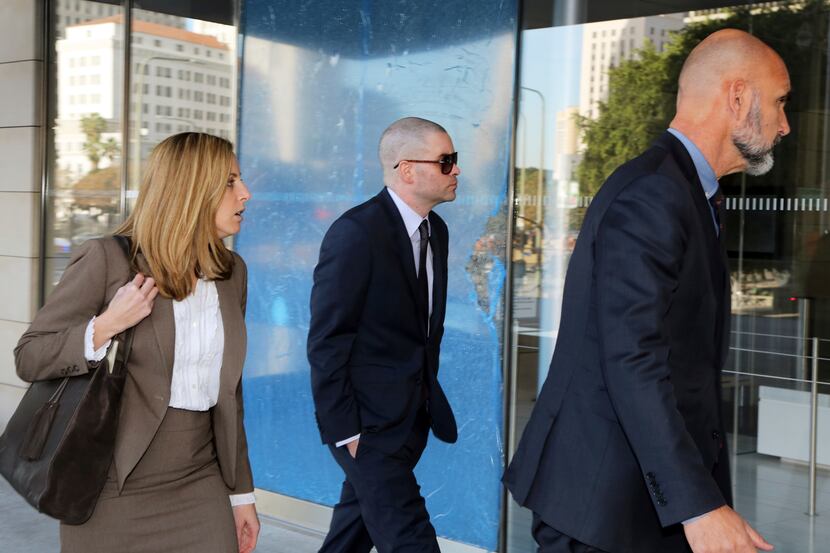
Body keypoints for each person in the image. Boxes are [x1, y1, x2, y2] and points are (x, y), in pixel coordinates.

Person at [504, 29, 790, 553]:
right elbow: (631, 357)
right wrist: (697, 507)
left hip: (639, 502)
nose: (786, 123)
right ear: (738, 97)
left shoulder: (688, 192)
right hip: (602, 507)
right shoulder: (656, 193)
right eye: (779, 101)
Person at [15, 132, 260, 553]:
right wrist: (104, 326)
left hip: (200, 482)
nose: (246, 194)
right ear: (190, 189)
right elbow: (30, 355)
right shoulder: (109, 260)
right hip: (108, 488)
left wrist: (242, 495)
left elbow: (229, 395)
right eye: (230, 181)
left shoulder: (232, 272)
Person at [308, 116, 460, 553]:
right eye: (446, 161)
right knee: (411, 539)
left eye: (454, 160)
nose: (456, 170)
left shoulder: (437, 233)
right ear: (407, 169)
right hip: (366, 429)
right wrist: (347, 433)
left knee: (350, 537)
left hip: (410, 420)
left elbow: (422, 330)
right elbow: (327, 340)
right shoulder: (356, 233)